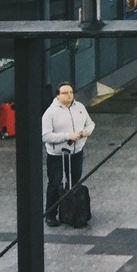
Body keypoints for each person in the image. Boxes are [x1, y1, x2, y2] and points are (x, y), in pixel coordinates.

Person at [42, 82, 95, 226]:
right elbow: (45, 136)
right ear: (58, 95)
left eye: (71, 92)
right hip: (57, 155)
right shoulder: (50, 113)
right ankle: (50, 214)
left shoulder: (80, 107)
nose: (69, 95)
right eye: (65, 93)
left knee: (75, 181)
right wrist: (67, 136)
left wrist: (86, 132)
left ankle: (73, 210)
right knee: (55, 183)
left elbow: (90, 123)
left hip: (76, 151)